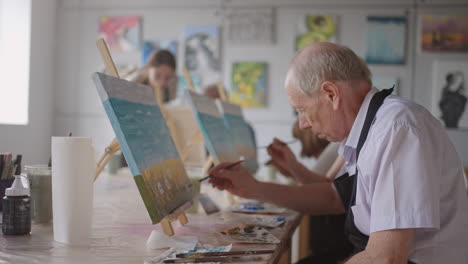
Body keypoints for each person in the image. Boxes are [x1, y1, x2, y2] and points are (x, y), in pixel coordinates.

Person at [209, 42, 468, 263]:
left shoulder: (396, 127)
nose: (303, 124)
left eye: (301, 109)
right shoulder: (371, 126)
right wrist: (253, 188)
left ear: (331, 94)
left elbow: (386, 258)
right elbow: (334, 197)